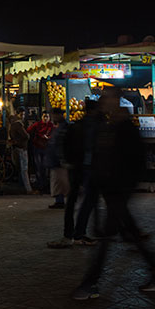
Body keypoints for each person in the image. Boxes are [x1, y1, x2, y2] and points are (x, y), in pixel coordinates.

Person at [73, 87, 155, 300]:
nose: (104, 104)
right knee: (133, 236)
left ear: (116, 101)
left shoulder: (124, 128)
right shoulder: (109, 125)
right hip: (111, 188)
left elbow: (133, 159)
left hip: (119, 190)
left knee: (106, 238)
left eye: (107, 100)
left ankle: (90, 282)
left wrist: (124, 185)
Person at [47, 100, 100, 249]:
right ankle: (79, 233)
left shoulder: (76, 125)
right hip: (84, 167)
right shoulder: (90, 126)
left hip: (75, 167)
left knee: (73, 201)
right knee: (87, 200)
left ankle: (71, 233)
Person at [45, 108, 69, 209]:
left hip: (59, 160)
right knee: (58, 182)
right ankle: (60, 200)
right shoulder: (59, 127)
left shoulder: (63, 128)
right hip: (56, 160)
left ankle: (61, 201)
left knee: (60, 182)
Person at [9, 107, 34, 194]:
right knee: (24, 169)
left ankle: (22, 187)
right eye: (21, 114)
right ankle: (28, 189)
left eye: (23, 114)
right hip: (21, 147)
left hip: (17, 147)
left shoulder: (13, 123)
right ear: (17, 113)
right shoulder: (18, 124)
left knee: (21, 169)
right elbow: (26, 136)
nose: (23, 116)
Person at [27, 111, 53, 193]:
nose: (45, 118)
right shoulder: (37, 124)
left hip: (46, 149)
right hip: (37, 147)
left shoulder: (51, 125)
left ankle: (44, 186)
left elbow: (54, 134)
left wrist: (49, 137)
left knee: (45, 168)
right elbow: (28, 130)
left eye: (47, 117)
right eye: (44, 116)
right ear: (41, 117)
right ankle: (40, 185)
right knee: (39, 167)